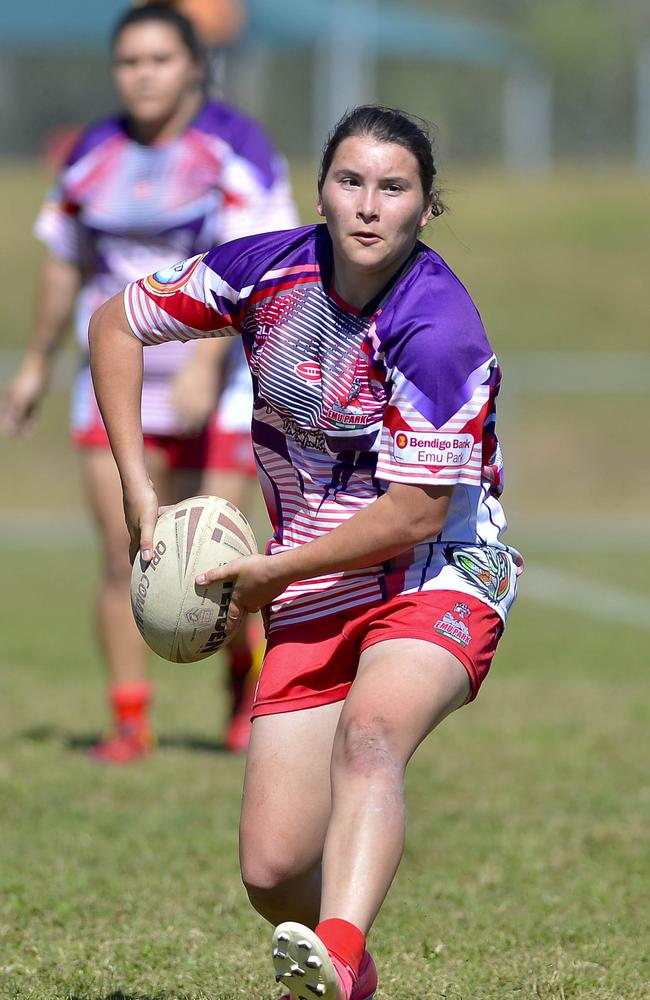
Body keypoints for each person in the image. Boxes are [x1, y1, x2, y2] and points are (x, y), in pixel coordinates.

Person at [88, 105, 521, 999]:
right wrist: (141, 492)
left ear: (426, 208)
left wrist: (267, 577)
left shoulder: (438, 330)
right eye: (350, 182)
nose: (368, 206)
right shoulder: (263, 272)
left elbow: (411, 514)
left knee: (371, 736)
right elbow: (114, 324)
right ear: (320, 191)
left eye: (393, 188)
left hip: (436, 568)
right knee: (273, 870)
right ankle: (345, 967)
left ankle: (340, 945)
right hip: (313, 585)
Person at [1, 3, 298, 763]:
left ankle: (243, 688)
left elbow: (261, 266)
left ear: (194, 65)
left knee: (218, 551)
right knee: (125, 549)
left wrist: (205, 362)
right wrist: (36, 360)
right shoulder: (91, 152)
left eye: (160, 60)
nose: (143, 75)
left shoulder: (236, 147)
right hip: (117, 384)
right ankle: (130, 720)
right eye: (130, 62)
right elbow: (66, 263)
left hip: (223, 378)